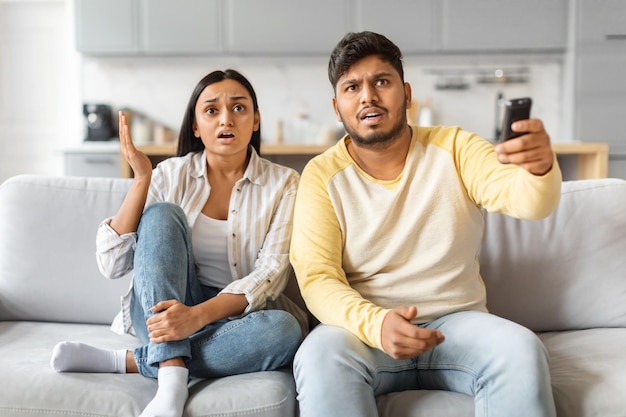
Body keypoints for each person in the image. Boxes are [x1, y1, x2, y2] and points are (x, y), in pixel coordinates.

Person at [290, 31, 561, 417]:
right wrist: (376, 323)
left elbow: (527, 201)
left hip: (458, 325)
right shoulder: (321, 175)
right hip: (363, 332)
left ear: (407, 93)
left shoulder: (456, 148)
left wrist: (539, 169)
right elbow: (317, 278)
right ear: (338, 107)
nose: (368, 96)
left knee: (521, 348)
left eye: (381, 81)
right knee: (320, 356)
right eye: (353, 87)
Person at [50, 69, 303, 417]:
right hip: (160, 313)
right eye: (212, 110)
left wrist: (197, 317)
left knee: (286, 330)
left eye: (239, 108)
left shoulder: (285, 183)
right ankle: (170, 375)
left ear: (255, 119)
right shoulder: (170, 174)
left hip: (231, 320)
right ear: (196, 126)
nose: (226, 119)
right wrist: (142, 179)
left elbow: (271, 272)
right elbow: (112, 264)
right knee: (162, 214)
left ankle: (124, 361)